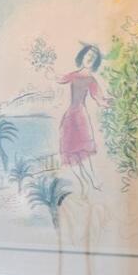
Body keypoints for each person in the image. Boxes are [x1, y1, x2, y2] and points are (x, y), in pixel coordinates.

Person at [58, 43, 106, 189]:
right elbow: (59, 79)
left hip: (81, 117)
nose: (90, 58)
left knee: (83, 152)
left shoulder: (92, 81)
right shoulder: (73, 75)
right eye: (88, 55)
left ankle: (93, 181)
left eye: (93, 57)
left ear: (95, 62)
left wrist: (110, 103)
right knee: (70, 153)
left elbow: (100, 100)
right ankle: (84, 184)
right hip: (69, 116)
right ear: (83, 56)